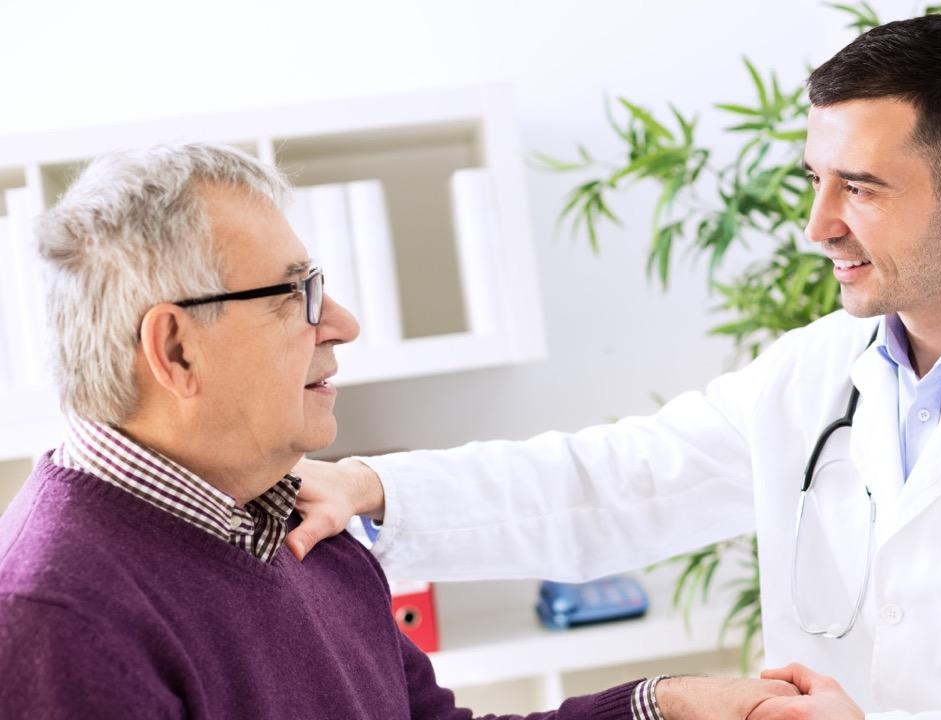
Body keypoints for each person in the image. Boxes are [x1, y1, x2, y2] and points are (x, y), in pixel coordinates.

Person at [287, 15, 941, 719]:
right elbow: (611, 483)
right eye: (814, 179)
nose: (816, 225)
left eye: (862, 188)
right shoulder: (813, 378)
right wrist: (371, 488)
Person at [0, 143, 799, 719]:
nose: (341, 323)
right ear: (175, 348)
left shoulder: (293, 523)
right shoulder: (56, 619)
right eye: (294, 295)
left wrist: (661, 707)